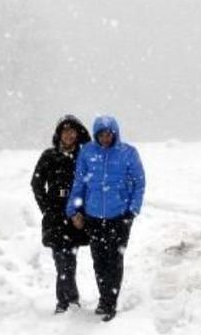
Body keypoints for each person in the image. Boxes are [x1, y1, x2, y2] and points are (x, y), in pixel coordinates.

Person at [66, 115, 146, 322]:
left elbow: (139, 183)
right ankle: (104, 298)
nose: (105, 138)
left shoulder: (128, 153)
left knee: (114, 260)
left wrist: (132, 210)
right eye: (101, 134)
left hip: (119, 217)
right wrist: (73, 210)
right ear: (96, 135)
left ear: (115, 133)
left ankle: (110, 301)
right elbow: (79, 183)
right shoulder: (87, 152)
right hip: (93, 217)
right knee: (99, 260)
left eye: (109, 134)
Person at [31, 114, 92, 314]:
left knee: (69, 259)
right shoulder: (49, 155)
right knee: (61, 259)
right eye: (65, 131)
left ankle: (68, 300)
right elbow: (36, 183)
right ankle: (66, 300)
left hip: (75, 213)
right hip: (55, 214)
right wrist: (46, 208)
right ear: (59, 135)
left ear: (77, 134)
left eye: (72, 131)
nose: (68, 135)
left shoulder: (83, 156)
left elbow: (90, 184)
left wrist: (84, 210)